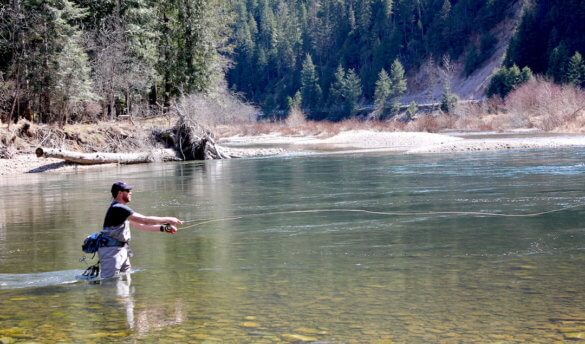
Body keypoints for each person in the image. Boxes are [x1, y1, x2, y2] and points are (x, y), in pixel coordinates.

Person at [99, 181, 183, 279]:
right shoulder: (118, 208)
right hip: (111, 252)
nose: (131, 192)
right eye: (127, 190)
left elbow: (140, 225)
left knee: (126, 284)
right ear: (120, 193)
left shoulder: (120, 209)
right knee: (109, 284)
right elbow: (145, 220)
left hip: (121, 250)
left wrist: (164, 228)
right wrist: (168, 219)